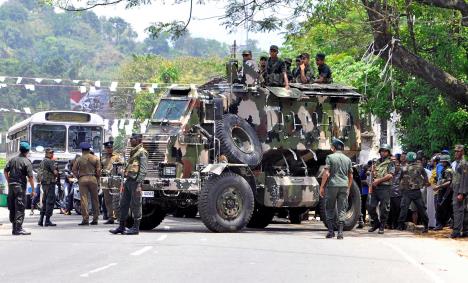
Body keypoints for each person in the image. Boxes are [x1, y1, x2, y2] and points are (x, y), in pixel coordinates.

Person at [110, 133, 148, 235]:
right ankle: (121, 226)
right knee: (123, 204)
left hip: (135, 182)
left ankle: (135, 228)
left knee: (136, 204)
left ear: (138, 140)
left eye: (132, 139)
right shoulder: (133, 152)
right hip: (129, 181)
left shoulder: (142, 152)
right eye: (130, 139)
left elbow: (143, 170)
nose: (130, 141)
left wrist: (139, 183)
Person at [319, 138, 353, 239]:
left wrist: (322, 186)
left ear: (333, 147)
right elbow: (351, 175)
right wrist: (349, 187)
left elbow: (326, 173)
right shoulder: (348, 159)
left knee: (330, 208)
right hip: (343, 186)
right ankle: (340, 233)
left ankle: (331, 232)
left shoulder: (330, 157)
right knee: (342, 208)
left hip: (332, 186)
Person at [4, 141, 35, 235]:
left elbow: (5, 171)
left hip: (11, 187)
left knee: (12, 206)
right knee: (20, 207)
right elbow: (30, 177)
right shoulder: (27, 162)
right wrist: (33, 190)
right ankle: (18, 228)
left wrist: (9, 181)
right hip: (20, 187)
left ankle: (14, 228)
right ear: (27, 151)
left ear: (20, 150)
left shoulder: (12, 160)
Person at [397, 152, 429, 233]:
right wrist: (424, 183)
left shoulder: (404, 168)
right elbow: (425, 176)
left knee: (404, 209)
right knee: (422, 209)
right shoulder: (420, 167)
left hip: (407, 192)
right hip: (417, 191)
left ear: (407, 158)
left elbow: (399, 178)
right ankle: (426, 226)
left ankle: (400, 226)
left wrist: (401, 187)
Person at [368, 144, 395, 234]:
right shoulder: (376, 162)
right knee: (370, 206)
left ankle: (382, 226)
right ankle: (376, 223)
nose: (383, 153)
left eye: (385, 151)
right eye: (382, 151)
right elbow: (373, 174)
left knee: (384, 208)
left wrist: (379, 180)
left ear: (388, 152)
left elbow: (390, 175)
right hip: (375, 187)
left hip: (385, 187)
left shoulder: (391, 162)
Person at [72, 142, 101, 225]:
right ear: (89, 149)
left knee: (84, 200)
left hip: (83, 179)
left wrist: (79, 177)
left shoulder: (79, 159)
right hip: (93, 179)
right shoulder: (95, 158)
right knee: (95, 199)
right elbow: (98, 171)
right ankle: (95, 219)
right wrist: (97, 179)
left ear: (82, 150)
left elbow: (74, 170)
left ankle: (85, 219)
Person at [101, 140, 123, 225]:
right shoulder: (103, 157)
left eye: (110, 147)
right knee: (107, 200)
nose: (109, 149)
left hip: (115, 178)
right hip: (105, 179)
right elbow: (100, 167)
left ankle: (118, 217)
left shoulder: (117, 156)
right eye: (107, 148)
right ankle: (110, 217)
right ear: (105, 148)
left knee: (116, 199)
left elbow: (121, 165)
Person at [450, 145, 468, 238]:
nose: (456, 153)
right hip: (456, 188)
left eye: (458, 151)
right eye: (455, 151)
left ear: (462, 152)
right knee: (464, 210)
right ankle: (465, 231)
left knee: (457, 210)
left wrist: (461, 193)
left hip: (460, 190)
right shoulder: (457, 163)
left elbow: (465, 179)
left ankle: (456, 232)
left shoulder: (463, 163)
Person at [38, 148, 58, 227]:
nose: (52, 154)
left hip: (44, 184)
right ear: (46, 153)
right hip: (50, 183)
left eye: (52, 153)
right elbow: (55, 172)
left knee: (44, 201)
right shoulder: (49, 161)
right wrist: (57, 172)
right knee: (50, 202)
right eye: (50, 153)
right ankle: (47, 220)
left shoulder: (42, 161)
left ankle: (41, 220)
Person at [433, 154, 453, 230]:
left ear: (447, 162)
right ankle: (445, 223)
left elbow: (449, 182)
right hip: (444, 191)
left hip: (445, 191)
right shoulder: (445, 169)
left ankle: (440, 224)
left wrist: (438, 187)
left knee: (440, 207)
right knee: (446, 208)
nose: (442, 163)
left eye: (443, 162)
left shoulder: (448, 170)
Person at [388, 158, 401, 230]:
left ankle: (396, 225)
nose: (396, 167)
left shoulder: (402, 173)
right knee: (390, 210)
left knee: (398, 210)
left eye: (397, 165)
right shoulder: (389, 173)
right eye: (394, 165)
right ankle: (389, 224)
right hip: (389, 194)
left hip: (398, 195)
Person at [357, 161, 371, 228]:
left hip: (366, 192)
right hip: (363, 191)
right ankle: (362, 221)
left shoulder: (368, 172)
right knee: (363, 207)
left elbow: (367, 182)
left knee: (364, 207)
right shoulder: (364, 172)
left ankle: (364, 221)